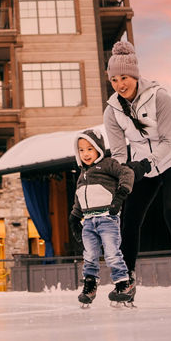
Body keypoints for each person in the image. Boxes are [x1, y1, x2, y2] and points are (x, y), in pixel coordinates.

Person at [103, 41, 171, 303]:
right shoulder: (112, 111)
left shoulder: (160, 97)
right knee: (130, 217)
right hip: (142, 164)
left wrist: (146, 164)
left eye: (124, 77)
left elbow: (167, 141)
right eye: (114, 80)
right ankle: (126, 279)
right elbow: (119, 152)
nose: (120, 84)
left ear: (135, 75)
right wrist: (119, 176)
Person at [68, 128, 135, 306]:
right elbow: (79, 196)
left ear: (98, 148)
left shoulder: (107, 164)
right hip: (88, 221)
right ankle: (90, 285)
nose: (85, 154)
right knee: (89, 255)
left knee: (112, 253)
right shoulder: (81, 175)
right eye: (81, 150)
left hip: (107, 218)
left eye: (90, 149)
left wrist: (120, 195)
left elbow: (127, 173)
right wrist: (74, 217)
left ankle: (123, 283)